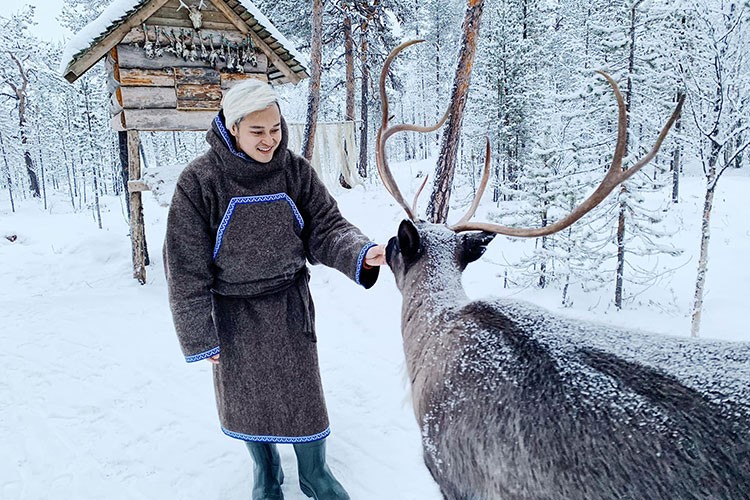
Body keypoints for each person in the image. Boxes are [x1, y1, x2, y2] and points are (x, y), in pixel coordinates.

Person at [163, 78, 386, 500]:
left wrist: (361, 251)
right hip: (233, 312)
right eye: (258, 131)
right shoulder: (199, 182)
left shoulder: (295, 172)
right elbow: (185, 267)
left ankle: (314, 473)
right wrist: (200, 336)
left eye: (276, 128)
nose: (270, 140)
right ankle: (265, 472)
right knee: (248, 399)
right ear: (232, 129)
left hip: (289, 305)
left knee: (303, 393)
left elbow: (326, 226)